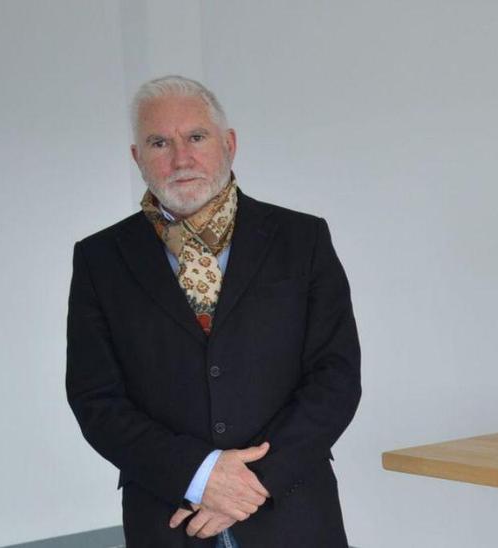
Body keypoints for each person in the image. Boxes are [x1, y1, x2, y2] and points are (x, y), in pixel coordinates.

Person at [66, 75, 361, 547]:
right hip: (169, 517)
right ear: (138, 159)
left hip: (294, 513)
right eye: (159, 142)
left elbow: (336, 376)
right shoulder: (101, 259)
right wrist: (200, 477)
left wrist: (251, 485)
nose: (180, 158)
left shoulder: (301, 240)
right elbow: (96, 399)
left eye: (196, 137)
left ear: (229, 144)